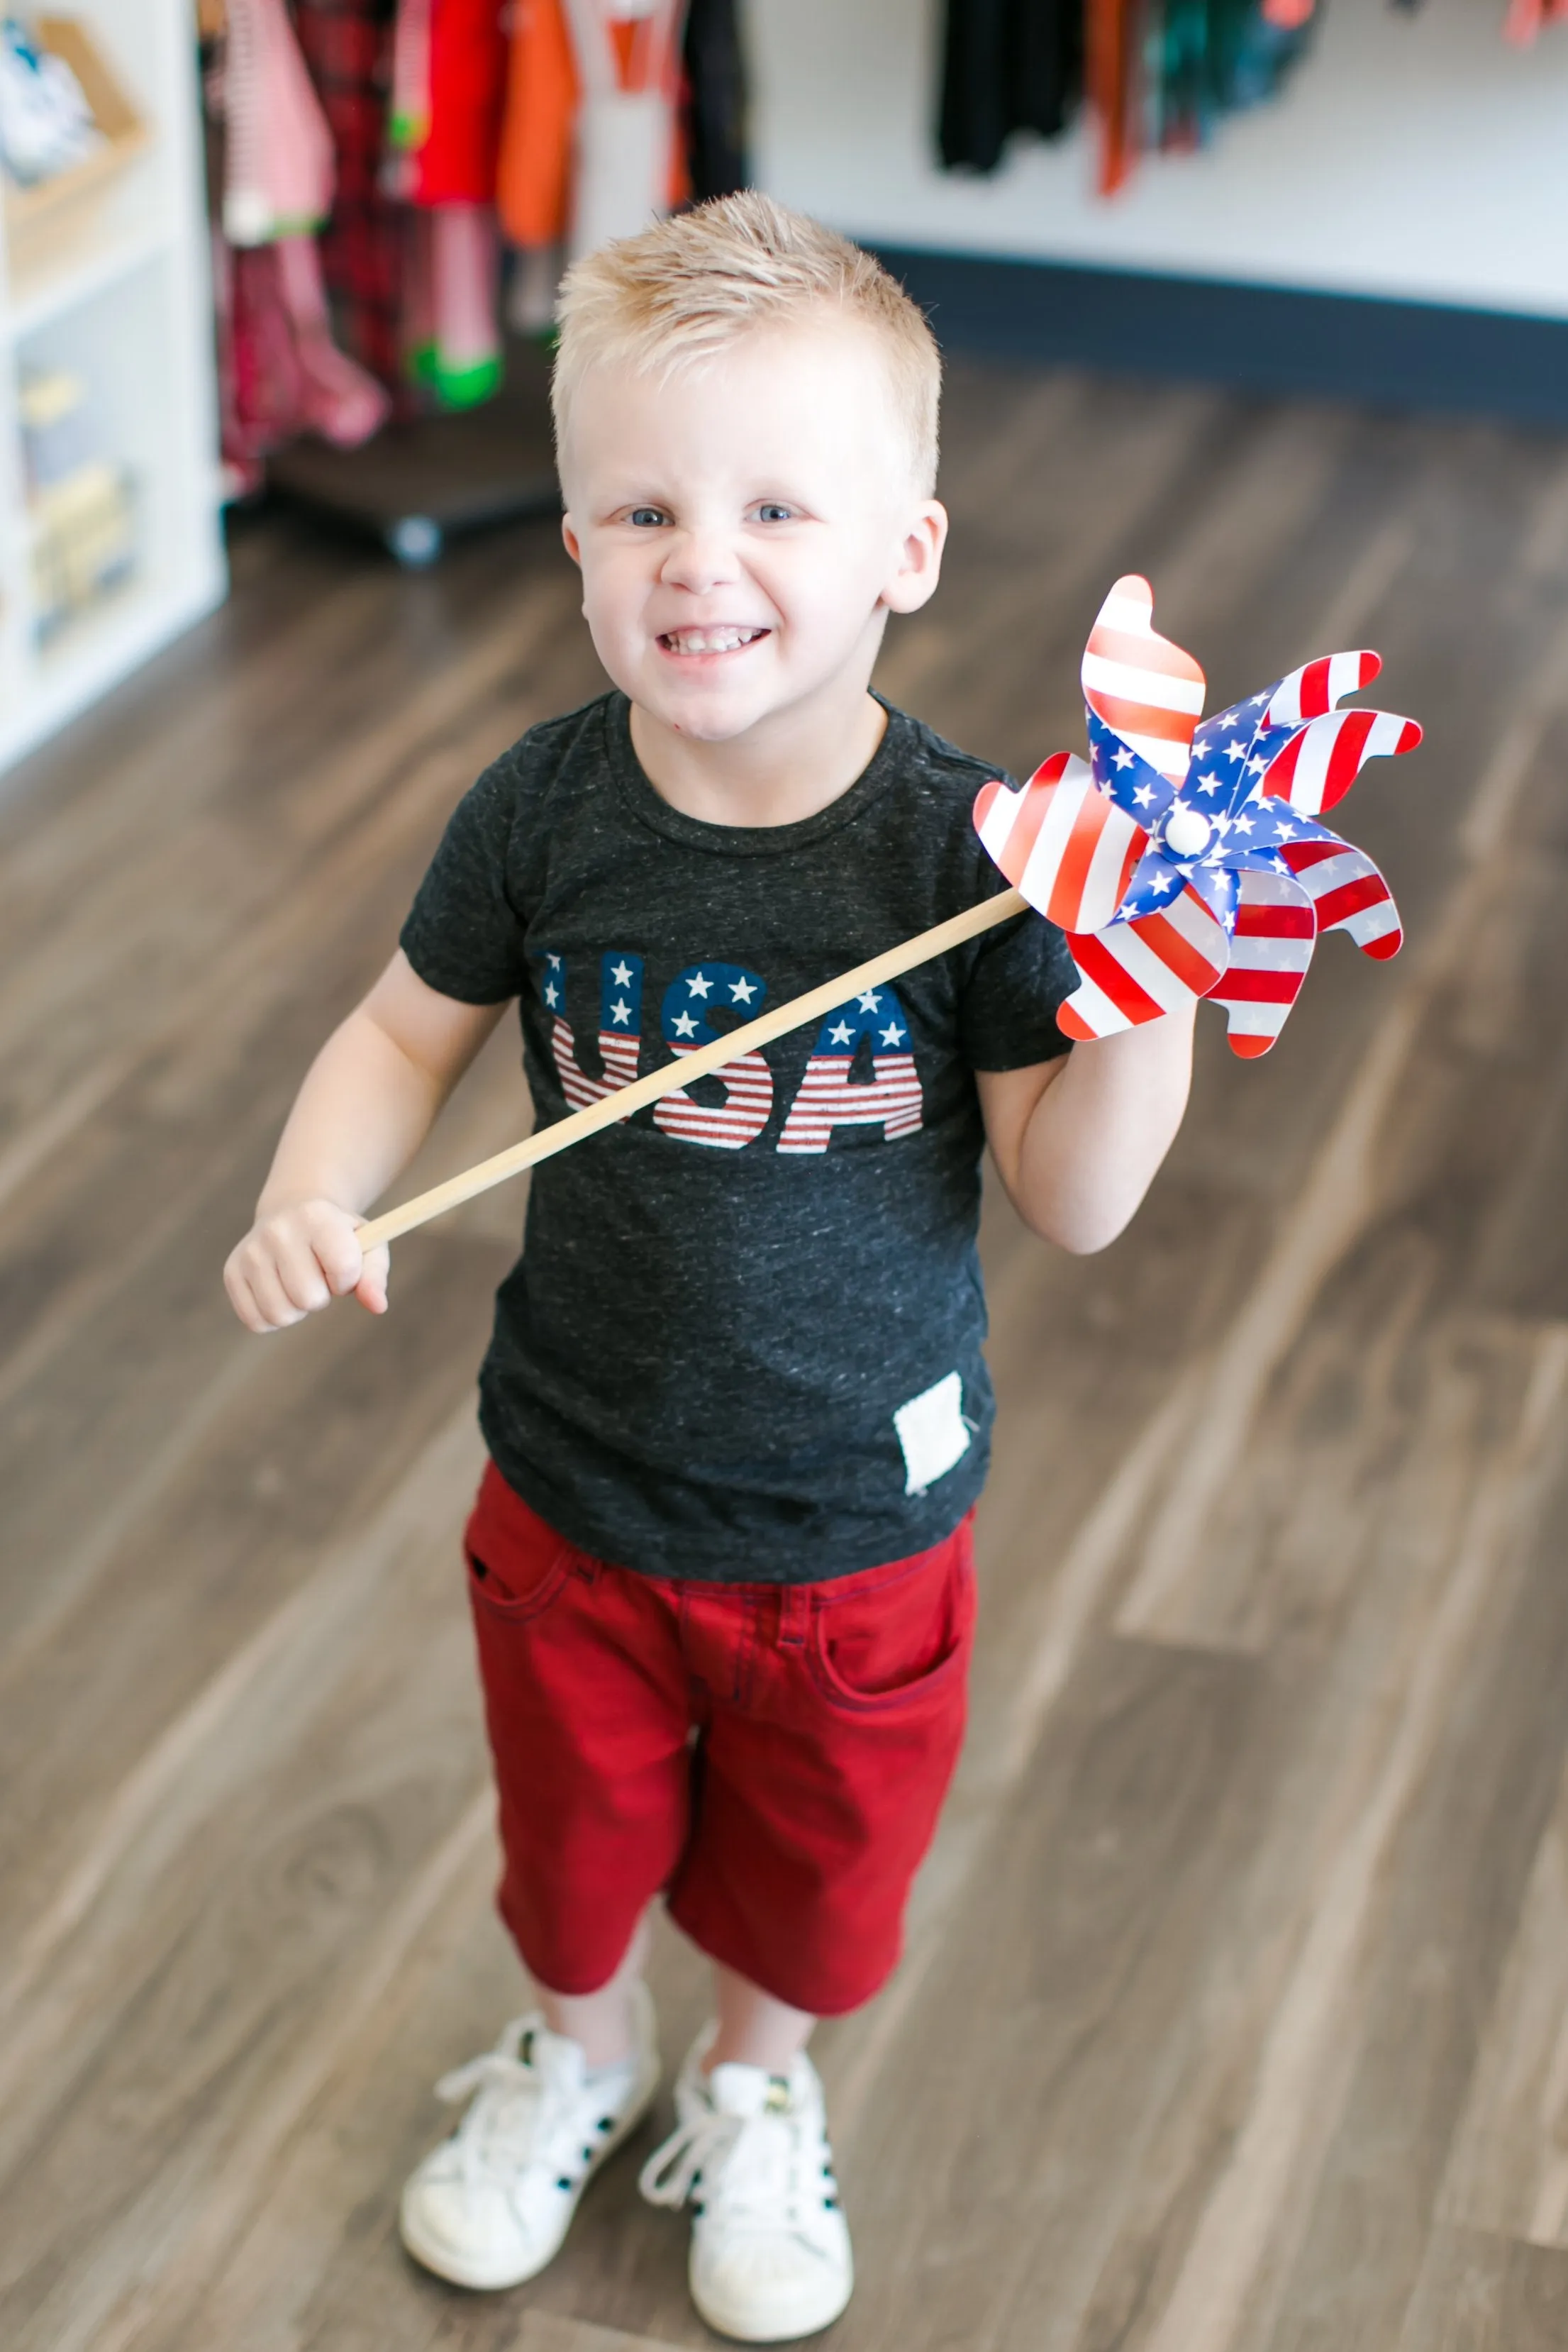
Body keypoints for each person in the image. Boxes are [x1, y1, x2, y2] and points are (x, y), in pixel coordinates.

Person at [223, 192, 1194, 2344]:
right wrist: (321, 1186)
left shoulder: (965, 855)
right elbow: (398, 1035)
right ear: (571, 546)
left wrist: (1148, 997)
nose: (702, 557)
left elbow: (1077, 1194)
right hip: (573, 1486)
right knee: (570, 1856)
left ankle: (756, 2088)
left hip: (858, 1526)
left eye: (776, 503)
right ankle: (574, 2053)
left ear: (903, 555)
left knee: (820, 1884)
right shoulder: (543, 811)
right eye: (641, 506)